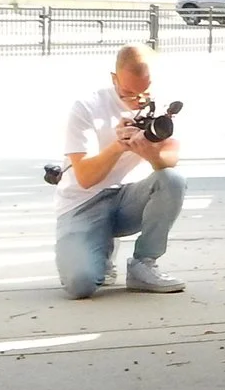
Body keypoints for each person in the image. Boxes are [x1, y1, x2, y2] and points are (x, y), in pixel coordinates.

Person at [55, 44, 188, 298]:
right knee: (80, 285)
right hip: (82, 204)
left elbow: (171, 159)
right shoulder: (87, 107)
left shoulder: (160, 108)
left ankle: (143, 264)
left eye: (144, 93)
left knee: (172, 180)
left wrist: (149, 153)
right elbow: (84, 177)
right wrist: (118, 146)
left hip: (127, 198)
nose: (138, 101)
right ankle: (98, 247)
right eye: (128, 93)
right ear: (114, 79)